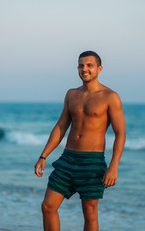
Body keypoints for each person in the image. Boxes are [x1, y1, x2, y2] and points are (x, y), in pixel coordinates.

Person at [34, 51, 126, 231]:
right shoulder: (71, 94)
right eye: (81, 65)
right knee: (47, 207)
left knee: (89, 213)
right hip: (67, 159)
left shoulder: (110, 97)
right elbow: (60, 127)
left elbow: (120, 134)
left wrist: (113, 167)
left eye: (89, 65)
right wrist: (43, 156)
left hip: (92, 162)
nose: (84, 69)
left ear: (99, 69)